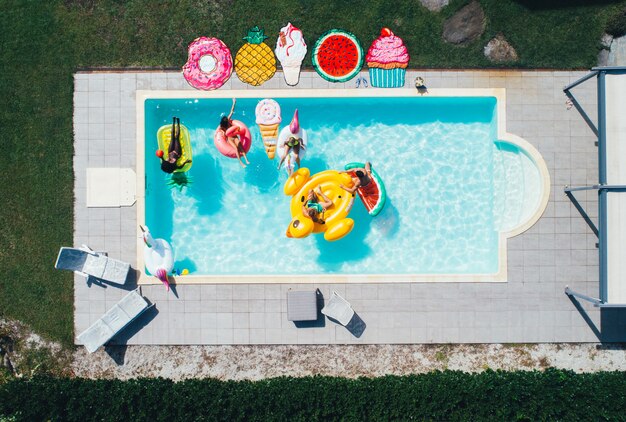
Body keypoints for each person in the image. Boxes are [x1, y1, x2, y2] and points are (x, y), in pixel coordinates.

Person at [219, 98, 250, 168]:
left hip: (235, 136)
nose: (228, 120)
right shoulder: (222, 126)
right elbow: (221, 130)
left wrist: (234, 103)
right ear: (225, 122)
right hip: (230, 139)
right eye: (227, 121)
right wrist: (223, 133)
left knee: (241, 147)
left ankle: (246, 159)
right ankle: (241, 162)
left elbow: (231, 111)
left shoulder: (229, 121)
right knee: (236, 149)